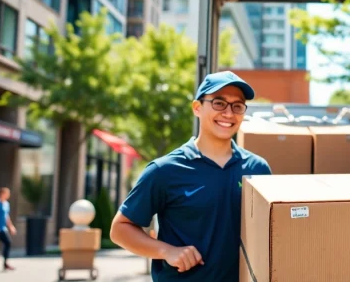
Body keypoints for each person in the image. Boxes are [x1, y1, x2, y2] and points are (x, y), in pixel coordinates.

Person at [110, 71, 271, 281]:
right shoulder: (164, 170)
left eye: (237, 106)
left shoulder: (258, 169)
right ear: (197, 108)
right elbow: (120, 229)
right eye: (219, 103)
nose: (229, 113)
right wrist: (166, 251)